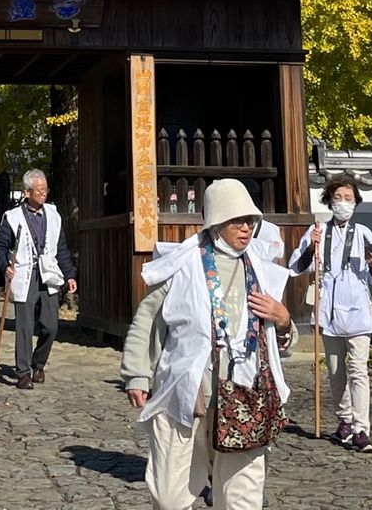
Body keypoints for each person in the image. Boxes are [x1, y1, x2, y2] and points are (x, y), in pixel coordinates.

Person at [121, 178, 294, 510]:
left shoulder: (261, 269)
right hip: (188, 392)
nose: (246, 228)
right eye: (237, 220)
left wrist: (283, 319)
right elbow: (148, 320)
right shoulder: (182, 263)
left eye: (250, 221)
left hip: (245, 396)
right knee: (170, 495)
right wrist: (137, 374)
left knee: (242, 496)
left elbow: (281, 341)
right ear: (217, 220)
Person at [288, 172, 372, 454]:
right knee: (336, 372)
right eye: (338, 198)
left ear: (356, 202)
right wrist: (311, 246)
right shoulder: (319, 232)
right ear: (329, 201)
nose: (343, 203)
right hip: (329, 312)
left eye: (348, 198)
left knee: (359, 371)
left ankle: (362, 429)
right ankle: (343, 419)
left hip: (358, 311)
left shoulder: (364, 234)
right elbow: (297, 267)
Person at [0, 167, 77, 389]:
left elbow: (61, 249)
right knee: (24, 327)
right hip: (24, 275)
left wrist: (69, 274)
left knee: (50, 327)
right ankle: (23, 373)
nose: (43, 193)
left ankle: (38, 363)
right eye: (39, 190)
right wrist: (4, 267)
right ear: (27, 191)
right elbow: (1, 248)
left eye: (45, 189)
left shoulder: (54, 215)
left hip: (48, 275)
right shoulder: (12, 217)